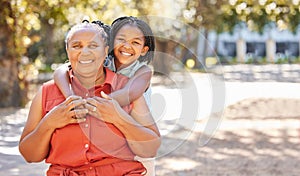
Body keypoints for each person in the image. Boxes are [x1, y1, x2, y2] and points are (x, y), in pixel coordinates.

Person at [19, 21, 161, 176]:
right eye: (77, 46)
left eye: (93, 45)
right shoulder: (48, 91)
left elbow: (151, 148)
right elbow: (29, 155)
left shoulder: (129, 86)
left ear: (106, 50)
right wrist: (49, 122)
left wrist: (118, 117)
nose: (85, 52)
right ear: (67, 50)